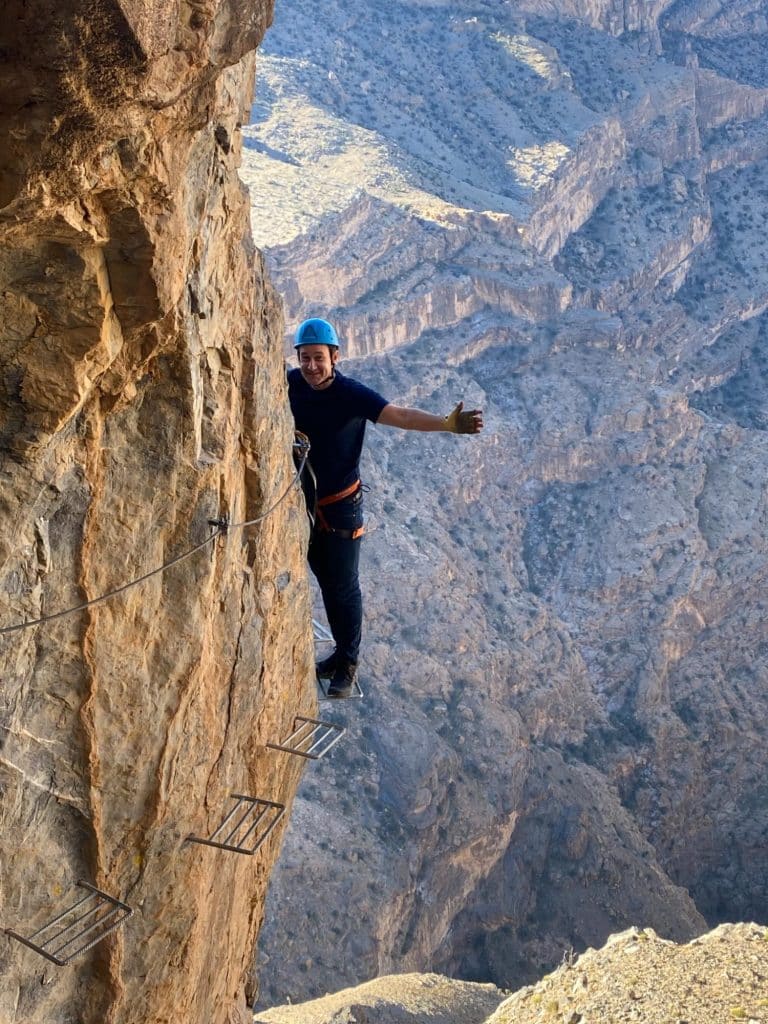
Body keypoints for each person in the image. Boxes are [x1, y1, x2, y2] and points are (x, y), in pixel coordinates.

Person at [288, 317, 483, 698]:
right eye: (305, 358)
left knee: (343, 586)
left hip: (341, 507)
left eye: (319, 358)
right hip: (306, 502)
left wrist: (446, 424)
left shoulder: (350, 394)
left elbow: (402, 416)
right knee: (327, 583)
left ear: (335, 357)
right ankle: (338, 656)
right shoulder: (291, 384)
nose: (311, 366)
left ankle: (348, 662)